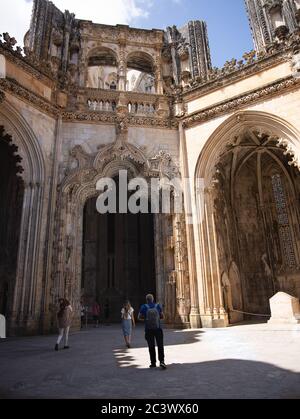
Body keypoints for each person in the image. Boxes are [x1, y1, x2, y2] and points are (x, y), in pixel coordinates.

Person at [138, 294, 166, 370]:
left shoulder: (143, 307)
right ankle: (162, 361)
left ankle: (153, 363)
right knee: (160, 345)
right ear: (153, 299)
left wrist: (146, 319)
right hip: (158, 328)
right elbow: (163, 316)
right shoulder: (158, 306)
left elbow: (139, 317)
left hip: (148, 329)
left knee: (151, 346)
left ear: (147, 300)